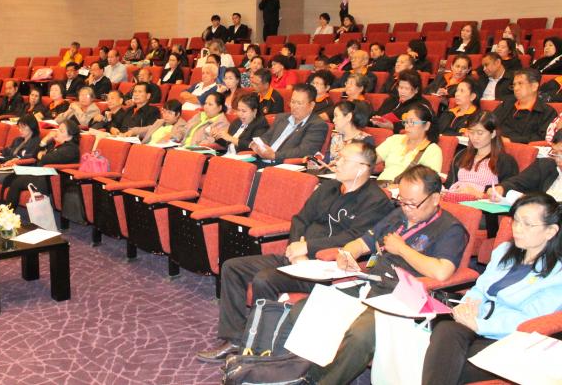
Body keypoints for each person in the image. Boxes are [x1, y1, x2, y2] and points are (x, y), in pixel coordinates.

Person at [195, 141, 392, 363]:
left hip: (330, 268)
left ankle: (262, 347)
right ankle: (234, 339)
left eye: (344, 159)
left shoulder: (376, 201)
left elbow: (354, 238)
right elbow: (301, 219)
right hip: (298, 258)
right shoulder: (329, 187)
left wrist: (308, 248)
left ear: (362, 168)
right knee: (233, 267)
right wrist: (296, 248)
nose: (337, 162)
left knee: (264, 279)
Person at [292, 165, 467, 384]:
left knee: (360, 336)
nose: (406, 209)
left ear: (434, 198)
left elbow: (442, 271)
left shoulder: (450, 228)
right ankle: (307, 375)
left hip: (402, 297)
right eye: (402, 201)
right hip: (371, 284)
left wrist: (402, 249)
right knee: (305, 308)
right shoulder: (397, 215)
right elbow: (363, 242)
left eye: (412, 203)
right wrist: (348, 253)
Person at [422, 192, 562, 385]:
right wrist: (467, 306)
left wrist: (480, 326)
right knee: (446, 330)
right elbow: (480, 289)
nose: (517, 229)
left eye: (527, 224)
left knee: (449, 363)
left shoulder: (557, 275)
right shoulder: (504, 252)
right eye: (515, 221)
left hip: (511, 338)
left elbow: (531, 320)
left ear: (551, 231)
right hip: (477, 323)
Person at [3, 119, 81, 212]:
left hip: (52, 180)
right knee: (11, 177)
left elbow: (45, 159)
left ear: (70, 136)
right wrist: (44, 141)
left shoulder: (71, 149)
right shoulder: (59, 145)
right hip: (43, 175)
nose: (57, 133)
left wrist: (42, 155)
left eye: (61, 131)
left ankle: (7, 213)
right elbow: (35, 155)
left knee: (18, 181)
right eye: (58, 129)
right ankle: (3, 211)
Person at [444, 110, 518, 196]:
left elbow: (507, 195)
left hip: (481, 202)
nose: (475, 137)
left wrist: (477, 194)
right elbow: (449, 184)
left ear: (493, 134)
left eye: (480, 133)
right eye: (471, 132)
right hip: (453, 198)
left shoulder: (505, 161)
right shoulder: (461, 155)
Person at [251, 84, 328, 164]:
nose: (294, 106)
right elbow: (267, 137)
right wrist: (258, 144)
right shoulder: (281, 117)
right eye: (293, 102)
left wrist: (274, 155)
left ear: (312, 105)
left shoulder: (317, 125)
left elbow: (304, 151)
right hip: (261, 160)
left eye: (299, 103)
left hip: (282, 165)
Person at [375, 106, 442, 182]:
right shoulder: (395, 139)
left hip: (405, 188)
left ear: (427, 126)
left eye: (412, 122)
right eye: (406, 122)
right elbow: (372, 159)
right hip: (381, 185)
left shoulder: (433, 150)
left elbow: (429, 182)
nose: (407, 126)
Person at [490, 131, 562, 201]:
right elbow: (518, 182)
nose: (558, 159)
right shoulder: (545, 165)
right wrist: (502, 188)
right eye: (555, 152)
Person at [492, 68, 557, 143]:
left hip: (521, 148)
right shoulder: (506, 104)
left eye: (520, 83)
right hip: (496, 144)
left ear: (534, 86)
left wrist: (510, 141)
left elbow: (541, 137)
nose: (516, 88)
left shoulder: (547, 112)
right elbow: (490, 123)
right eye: (514, 85)